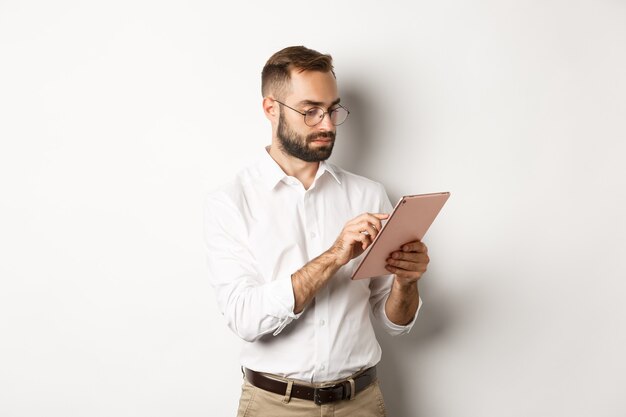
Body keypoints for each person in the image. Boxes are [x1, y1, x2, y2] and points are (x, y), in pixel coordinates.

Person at [203, 46, 430, 417]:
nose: (326, 124)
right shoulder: (230, 203)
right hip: (274, 406)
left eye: (332, 110)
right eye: (310, 111)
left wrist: (407, 281)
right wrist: (335, 254)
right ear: (270, 109)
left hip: (360, 403)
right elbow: (244, 318)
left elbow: (396, 324)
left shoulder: (368, 194)